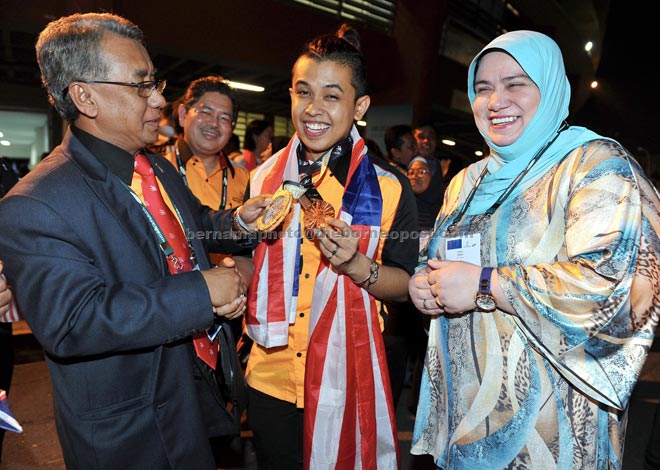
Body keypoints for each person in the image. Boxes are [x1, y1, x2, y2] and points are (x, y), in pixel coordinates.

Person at [0, 13, 269, 469]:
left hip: (198, 389)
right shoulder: (36, 202)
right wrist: (204, 291)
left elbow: (192, 225)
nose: (160, 98)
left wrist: (238, 224)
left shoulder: (156, 168)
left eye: (155, 82)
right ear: (84, 96)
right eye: (141, 85)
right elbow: (74, 322)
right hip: (135, 430)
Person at [409, 30, 660, 469]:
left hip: (553, 424)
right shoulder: (467, 182)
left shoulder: (596, 166)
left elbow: (613, 286)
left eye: (516, 84)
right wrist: (424, 283)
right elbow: (439, 254)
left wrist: (487, 284)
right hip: (467, 418)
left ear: (550, 86)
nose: (495, 100)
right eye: (482, 88)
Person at [243, 23, 419, 470]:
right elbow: (253, 262)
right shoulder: (264, 177)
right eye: (303, 93)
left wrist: (359, 265)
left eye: (331, 96)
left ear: (359, 106)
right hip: (271, 376)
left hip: (346, 373)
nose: (313, 109)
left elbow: (406, 286)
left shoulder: (389, 187)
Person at [159, 74, 251, 465]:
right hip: (170, 313)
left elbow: (253, 247)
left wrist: (241, 276)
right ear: (182, 114)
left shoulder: (243, 178)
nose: (215, 123)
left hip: (227, 313)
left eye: (226, 118)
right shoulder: (154, 169)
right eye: (205, 111)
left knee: (220, 422)